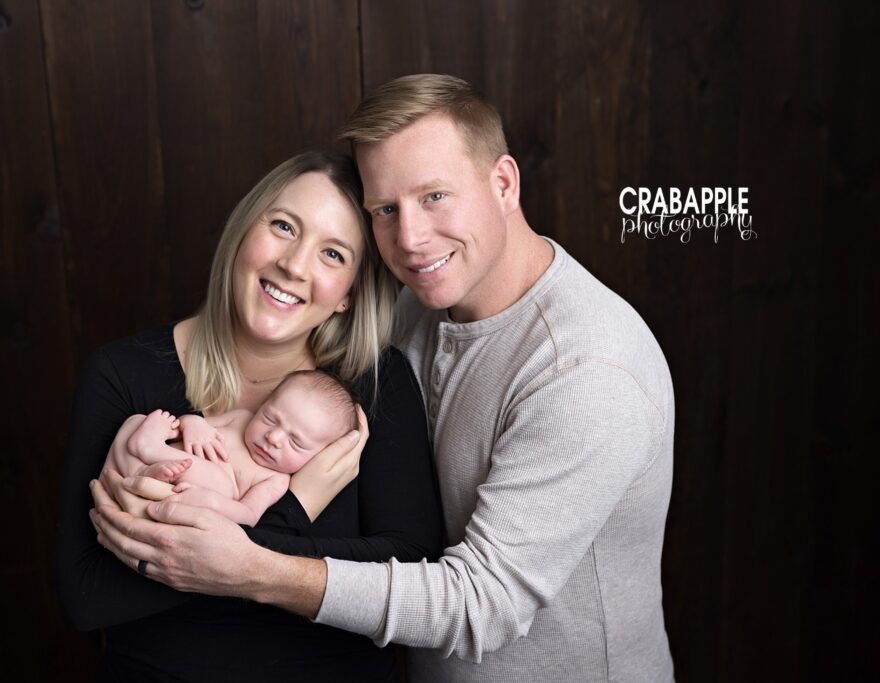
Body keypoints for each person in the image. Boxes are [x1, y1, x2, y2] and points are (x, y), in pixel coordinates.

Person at [92, 75, 675, 682]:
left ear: (503, 183)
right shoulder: (414, 310)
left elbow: (483, 605)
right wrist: (141, 450)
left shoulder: (586, 370)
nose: (411, 239)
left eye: (435, 197)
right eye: (385, 210)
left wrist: (252, 565)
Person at [56, 150, 444, 682]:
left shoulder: (374, 383)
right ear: (242, 232)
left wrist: (246, 551)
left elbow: (414, 571)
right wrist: (298, 510)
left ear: (348, 297)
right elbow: (88, 597)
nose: (295, 264)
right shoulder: (122, 374)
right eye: (284, 226)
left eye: (333, 254)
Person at [104, 370, 359, 525]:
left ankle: (149, 456)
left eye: (296, 442)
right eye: (270, 419)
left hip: (179, 493)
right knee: (135, 421)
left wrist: (211, 502)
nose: (274, 438)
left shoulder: (275, 479)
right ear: (263, 406)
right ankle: (142, 459)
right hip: (143, 468)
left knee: (221, 482)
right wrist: (193, 425)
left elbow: (248, 514)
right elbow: (184, 426)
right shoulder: (241, 418)